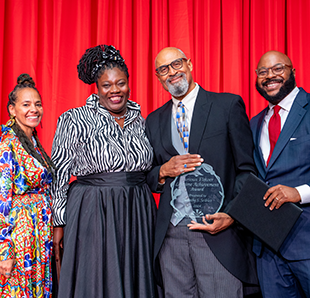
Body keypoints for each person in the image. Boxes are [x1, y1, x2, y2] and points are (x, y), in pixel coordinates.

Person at [145, 47, 259, 298]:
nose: (172, 73)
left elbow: (247, 171)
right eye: (163, 69)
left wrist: (232, 216)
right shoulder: (153, 120)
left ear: (189, 64)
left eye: (176, 64)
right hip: (171, 235)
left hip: (217, 231)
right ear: (158, 77)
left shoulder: (227, 105)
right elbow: (148, 175)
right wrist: (163, 170)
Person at [51, 45, 157, 298]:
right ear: (96, 88)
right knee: (96, 278)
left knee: (137, 277)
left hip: (137, 208)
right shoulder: (74, 119)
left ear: (129, 84)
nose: (114, 91)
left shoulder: (142, 120)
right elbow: (60, 172)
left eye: (120, 83)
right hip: (93, 208)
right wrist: (59, 222)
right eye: (106, 85)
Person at [250, 50, 310, 297]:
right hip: (267, 248)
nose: (269, 76)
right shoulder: (254, 123)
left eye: (278, 69)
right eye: (262, 72)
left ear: (293, 72)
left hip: (306, 240)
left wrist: (298, 193)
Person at [0, 74, 55, 297]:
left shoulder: (32, 141)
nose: (34, 109)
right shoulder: (7, 144)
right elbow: (1, 199)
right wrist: (4, 250)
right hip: (20, 235)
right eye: (26, 104)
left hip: (39, 232)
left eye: (38, 104)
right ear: (12, 110)